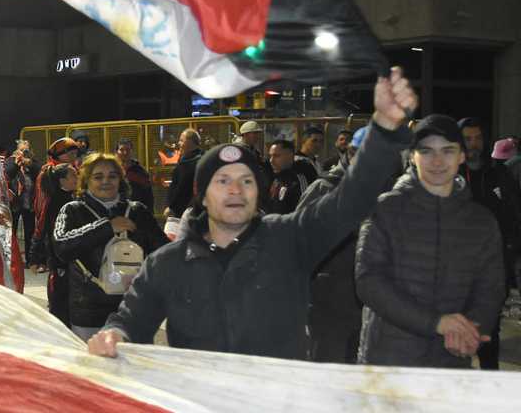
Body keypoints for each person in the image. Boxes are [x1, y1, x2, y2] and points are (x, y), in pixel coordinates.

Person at [87, 67, 417, 360]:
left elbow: (348, 201)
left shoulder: (290, 240)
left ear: (257, 193)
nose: (236, 190)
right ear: (202, 196)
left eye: (246, 181)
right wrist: (115, 336)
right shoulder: (167, 264)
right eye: (223, 181)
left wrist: (383, 131)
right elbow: (131, 320)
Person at [357, 115, 505, 368]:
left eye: (448, 151)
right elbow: (368, 281)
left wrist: (472, 330)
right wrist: (436, 323)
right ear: (412, 157)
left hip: (450, 361)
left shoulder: (481, 221)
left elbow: (491, 288)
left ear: (461, 156)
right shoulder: (386, 210)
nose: (437, 161)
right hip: (389, 360)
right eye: (426, 151)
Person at [53, 153, 169, 341]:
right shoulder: (72, 210)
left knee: (135, 359)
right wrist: (107, 227)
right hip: (88, 312)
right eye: (98, 177)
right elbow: (61, 247)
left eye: (112, 176)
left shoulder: (137, 211)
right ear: (86, 181)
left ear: (120, 179)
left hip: (132, 310)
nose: (106, 181)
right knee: (92, 360)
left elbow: (162, 253)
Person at [297, 126, 373, 364]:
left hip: (370, 303)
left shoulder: (384, 190)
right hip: (328, 301)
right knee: (326, 369)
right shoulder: (324, 187)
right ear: (350, 153)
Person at [456, 117, 520, 370]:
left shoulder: (498, 173)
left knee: (489, 332)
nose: (474, 144)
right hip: (457, 270)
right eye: (468, 139)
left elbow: (514, 214)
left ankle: (489, 379)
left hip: (493, 268)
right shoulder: (450, 174)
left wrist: (510, 251)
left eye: (478, 138)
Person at [32, 163, 78, 326]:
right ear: (62, 180)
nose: (77, 177)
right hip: (59, 259)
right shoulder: (53, 202)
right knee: (59, 302)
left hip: (73, 259)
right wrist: (35, 257)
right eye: (73, 175)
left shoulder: (75, 198)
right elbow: (41, 229)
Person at [29, 138, 80, 273]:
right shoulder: (47, 173)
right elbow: (42, 208)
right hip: (55, 228)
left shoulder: (73, 170)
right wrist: (36, 254)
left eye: (75, 154)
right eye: (70, 154)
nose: (74, 157)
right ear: (59, 155)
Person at [5, 141, 41, 269]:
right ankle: (11, 259)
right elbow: (7, 174)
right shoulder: (11, 160)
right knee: (11, 232)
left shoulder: (33, 162)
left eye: (26, 150)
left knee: (30, 233)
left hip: (28, 202)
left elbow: (39, 171)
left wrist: (29, 163)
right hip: (14, 202)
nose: (23, 153)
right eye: (21, 150)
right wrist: (17, 163)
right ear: (17, 150)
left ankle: (30, 260)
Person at [266, 139, 314, 214]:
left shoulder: (299, 179)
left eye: (276, 156)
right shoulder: (276, 179)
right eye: (270, 156)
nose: (271, 160)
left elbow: (304, 212)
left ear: (290, 156)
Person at [165, 129, 203, 217]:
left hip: (184, 211)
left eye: (182, 140)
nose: (179, 143)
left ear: (190, 142)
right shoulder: (189, 158)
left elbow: (182, 187)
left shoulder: (191, 161)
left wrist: (172, 207)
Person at [116, 138, 154, 210]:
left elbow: (148, 195)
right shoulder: (113, 170)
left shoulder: (140, 171)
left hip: (136, 211)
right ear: (116, 152)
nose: (125, 152)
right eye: (121, 150)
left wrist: (148, 212)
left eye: (128, 150)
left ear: (132, 151)